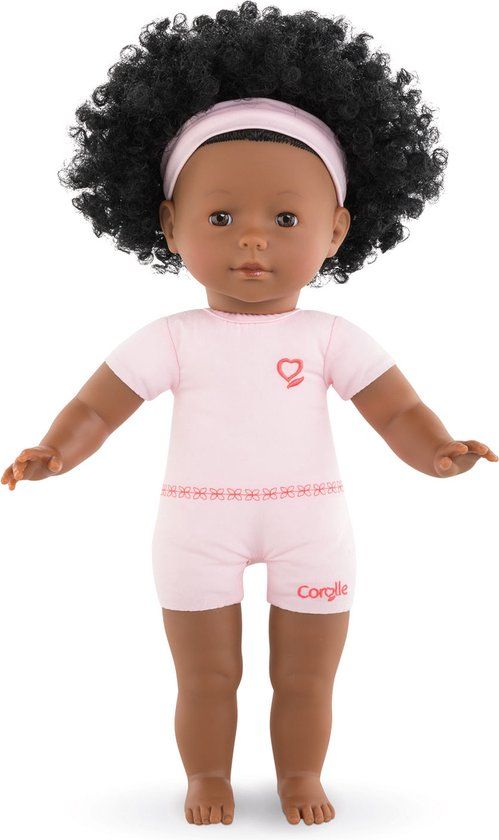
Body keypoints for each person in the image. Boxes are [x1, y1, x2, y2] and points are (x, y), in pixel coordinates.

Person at [2, 2, 497, 827]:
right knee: (205, 677)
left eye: (286, 218)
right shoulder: (172, 339)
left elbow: (396, 409)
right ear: (170, 226)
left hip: (312, 524)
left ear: (336, 230)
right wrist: (57, 449)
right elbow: (98, 403)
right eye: (221, 217)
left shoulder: (332, 337)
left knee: (307, 677)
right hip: (195, 527)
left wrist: (436, 449)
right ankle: (206, 776)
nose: (253, 241)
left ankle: (299, 776)